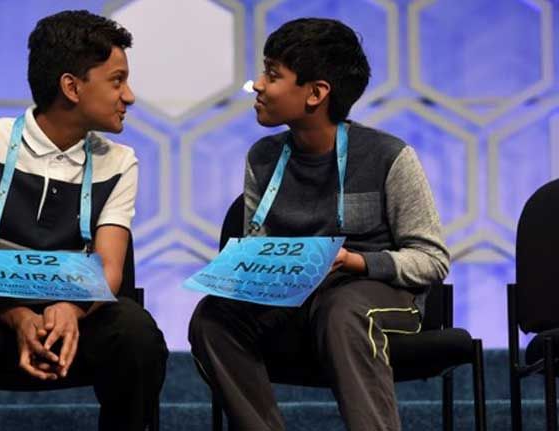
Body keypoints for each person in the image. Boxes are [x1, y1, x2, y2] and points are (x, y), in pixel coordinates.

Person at [188, 18, 449, 431]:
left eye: (272, 75)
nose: (257, 85)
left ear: (316, 93)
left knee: (342, 310)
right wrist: (241, 271)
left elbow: (432, 260)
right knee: (214, 317)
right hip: (293, 298)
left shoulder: (389, 156)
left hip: (376, 294)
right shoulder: (262, 158)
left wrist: (356, 261)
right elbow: (258, 245)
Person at [0, 10, 168, 431]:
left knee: (135, 330)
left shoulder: (120, 161)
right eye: (117, 81)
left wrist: (70, 309)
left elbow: (110, 270)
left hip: (75, 319)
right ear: (71, 87)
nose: (129, 96)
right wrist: (18, 316)